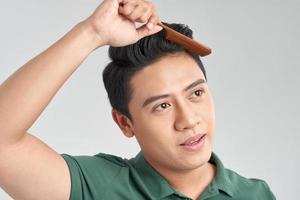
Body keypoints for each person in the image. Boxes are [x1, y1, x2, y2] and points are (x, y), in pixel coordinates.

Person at [0, 0, 276, 199]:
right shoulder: (97, 187)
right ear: (124, 123)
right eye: (162, 106)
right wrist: (92, 32)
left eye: (196, 93)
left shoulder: (256, 194)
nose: (189, 120)